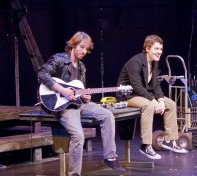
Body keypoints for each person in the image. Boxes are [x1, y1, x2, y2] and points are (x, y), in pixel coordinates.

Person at [37, 31, 125, 176]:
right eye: (81, 47)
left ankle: (110, 156)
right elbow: (42, 74)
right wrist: (62, 90)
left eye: (86, 49)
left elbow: (78, 90)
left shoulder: (82, 67)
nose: (84, 51)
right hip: (62, 105)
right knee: (78, 136)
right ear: (73, 45)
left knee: (107, 115)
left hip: (77, 103)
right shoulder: (59, 59)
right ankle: (74, 174)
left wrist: (84, 97)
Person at [117, 35, 188, 160]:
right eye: (156, 49)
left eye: (161, 49)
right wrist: (154, 101)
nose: (159, 52)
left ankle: (170, 140)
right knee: (148, 105)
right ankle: (146, 145)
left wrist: (160, 100)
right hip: (129, 95)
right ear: (147, 48)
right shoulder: (135, 62)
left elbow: (155, 86)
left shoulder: (154, 63)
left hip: (143, 94)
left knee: (170, 104)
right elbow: (137, 86)